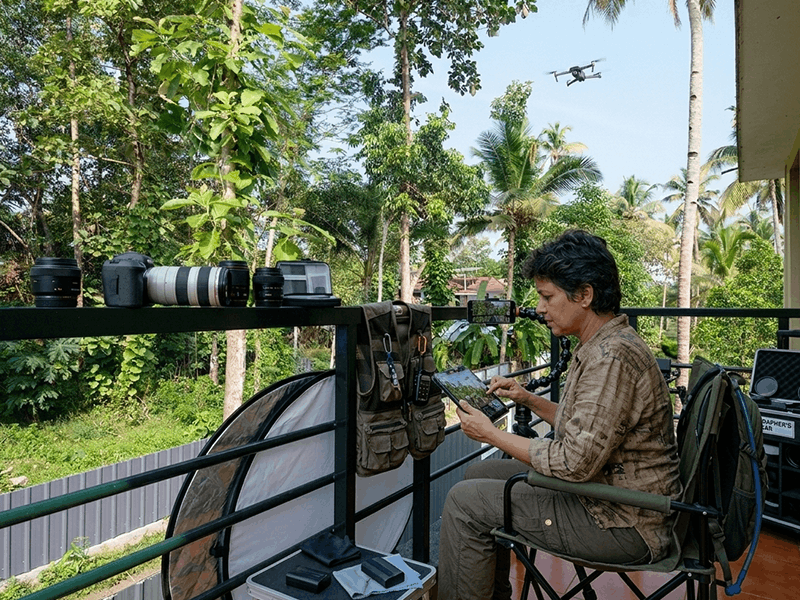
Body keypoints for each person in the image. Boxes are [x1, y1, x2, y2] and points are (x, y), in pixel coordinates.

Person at [438, 229, 682, 600]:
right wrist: (528, 398)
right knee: (478, 473)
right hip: (611, 494)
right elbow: (586, 428)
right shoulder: (604, 345)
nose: (539, 308)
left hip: (623, 520)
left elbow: (573, 463)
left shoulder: (611, 359)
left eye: (547, 297)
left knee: (465, 502)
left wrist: (490, 434)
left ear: (584, 295)